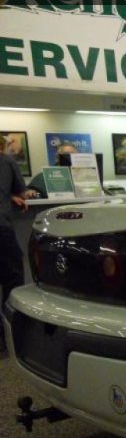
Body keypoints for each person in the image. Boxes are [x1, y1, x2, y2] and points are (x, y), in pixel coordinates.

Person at [0, 135, 29, 352]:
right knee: (13, 277)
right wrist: (13, 195)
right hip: (1, 228)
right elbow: (22, 190)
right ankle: (11, 334)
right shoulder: (6, 161)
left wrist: (7, 196)